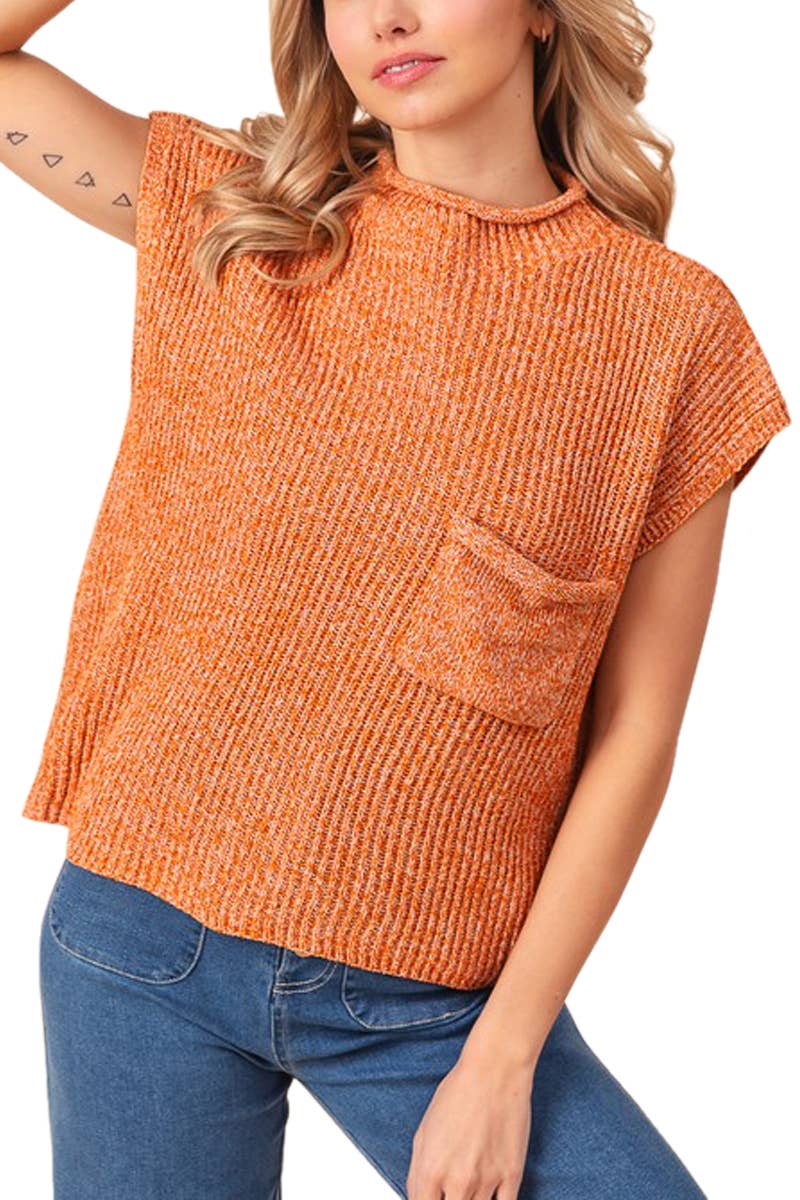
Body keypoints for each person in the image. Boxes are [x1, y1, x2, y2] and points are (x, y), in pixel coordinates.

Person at [2, 1, 791, 1197]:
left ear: (540, 10)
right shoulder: (238, 219)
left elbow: (636, 730)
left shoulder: (669, 331)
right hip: (136, 946)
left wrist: (502, 1061)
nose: (387, 16)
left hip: (436, 1005)